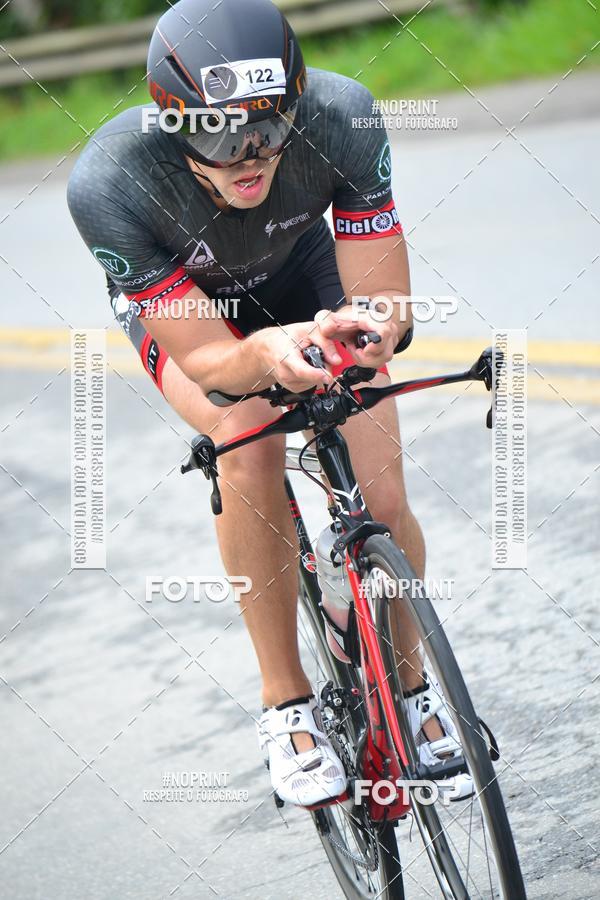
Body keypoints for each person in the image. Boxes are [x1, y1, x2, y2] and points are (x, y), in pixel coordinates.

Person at [67, 0, 472, 807]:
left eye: (271, 125)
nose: (250, 156)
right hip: (190, 312)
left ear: (298, 100)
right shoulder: (109, 182)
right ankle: (285, 705)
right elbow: (213, 361)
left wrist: (369, 333)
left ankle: (411, 685)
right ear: (173, 122)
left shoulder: (342, 114)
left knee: (382, 495)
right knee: (244, 424)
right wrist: (262, 357)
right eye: (219, 136)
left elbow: (386, 303)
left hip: (301, 273)